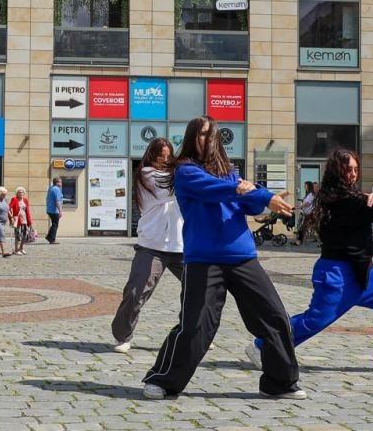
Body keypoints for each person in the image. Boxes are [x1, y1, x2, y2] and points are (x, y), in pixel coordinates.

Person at [140, 117, 302, 401]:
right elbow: (212, 191)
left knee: (275, 317)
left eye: (212, 135)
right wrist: (257, 192)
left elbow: (248, 205)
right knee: (196, 326)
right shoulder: (186, 171)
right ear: (192, 137)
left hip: (242, 257)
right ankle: (163, 380)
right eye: (203, 134)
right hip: (204, 260)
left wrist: (253, 193)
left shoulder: (230, 173)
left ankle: (279, 383)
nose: (208, 139)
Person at [248, 148, 373, 374]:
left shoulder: (345, 196)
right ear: (337, 171)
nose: (353, 174)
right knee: (314, 321)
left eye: (355, 169)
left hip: (364, 271)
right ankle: (262, 346)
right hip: (337, 273)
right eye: (348, 169)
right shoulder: (339, 198)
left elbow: (371, 204)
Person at [110, 138, 184, 354]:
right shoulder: (147, 174)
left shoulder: (179, 176)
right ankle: (123, 335)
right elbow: (169, 187)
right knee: (136, 290)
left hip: (181, 245)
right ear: (152, 156)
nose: (166, 159)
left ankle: (191, 334)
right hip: (152, 245)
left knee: (197, 291)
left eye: (169, 155)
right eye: (161, 155)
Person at [10, 186, 34, 254]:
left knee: (24, 235)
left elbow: (27, 211)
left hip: (24, 219)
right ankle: (16, 249)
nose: (21, 193)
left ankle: (21, 248)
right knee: (17, 235)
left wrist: (30, 221)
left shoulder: (25, 200)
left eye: (22, 192)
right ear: (17, 193)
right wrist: (12, 217)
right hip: (17, 220)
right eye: (19, 192)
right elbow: (10, 208)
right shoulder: (14, 199)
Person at [44, 178, 63, 244]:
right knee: (55, 225)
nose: (61, 183)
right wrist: (60, 211)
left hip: (50, 209)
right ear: (57, 182)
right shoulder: (56, 189)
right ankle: (52, 239)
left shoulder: (51, 188)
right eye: (60, 182)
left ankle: (49, 236)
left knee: (54, 224)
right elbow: (57, 201)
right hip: (54, 210)